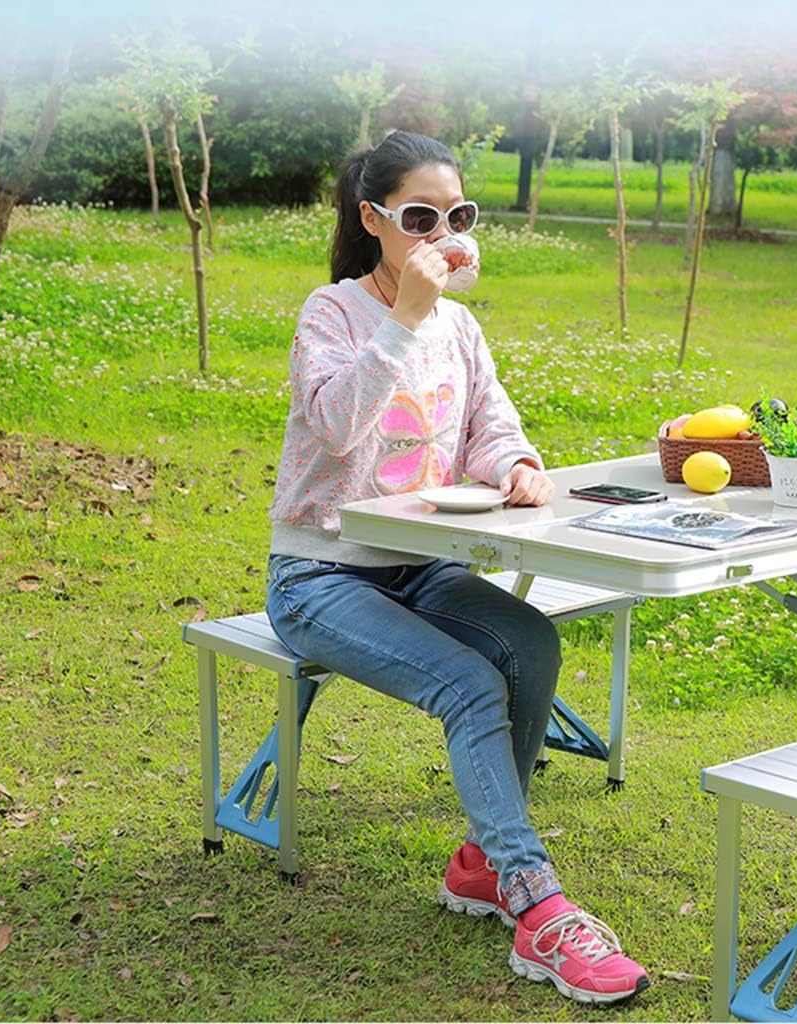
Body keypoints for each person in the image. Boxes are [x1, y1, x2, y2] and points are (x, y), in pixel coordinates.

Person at [265, 130, 649, 1005]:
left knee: (532, 644)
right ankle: (535, 900)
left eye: (459, 216)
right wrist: (402, 318)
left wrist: (514, 464)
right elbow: (335, 426)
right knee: (472, 684)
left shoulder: (462, 326)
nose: (442, 233)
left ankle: (479, 864)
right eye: (420, 217)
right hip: (320, 578)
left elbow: (489, 424)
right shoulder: (332, 314)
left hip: (418, 565)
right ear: (374, 219)